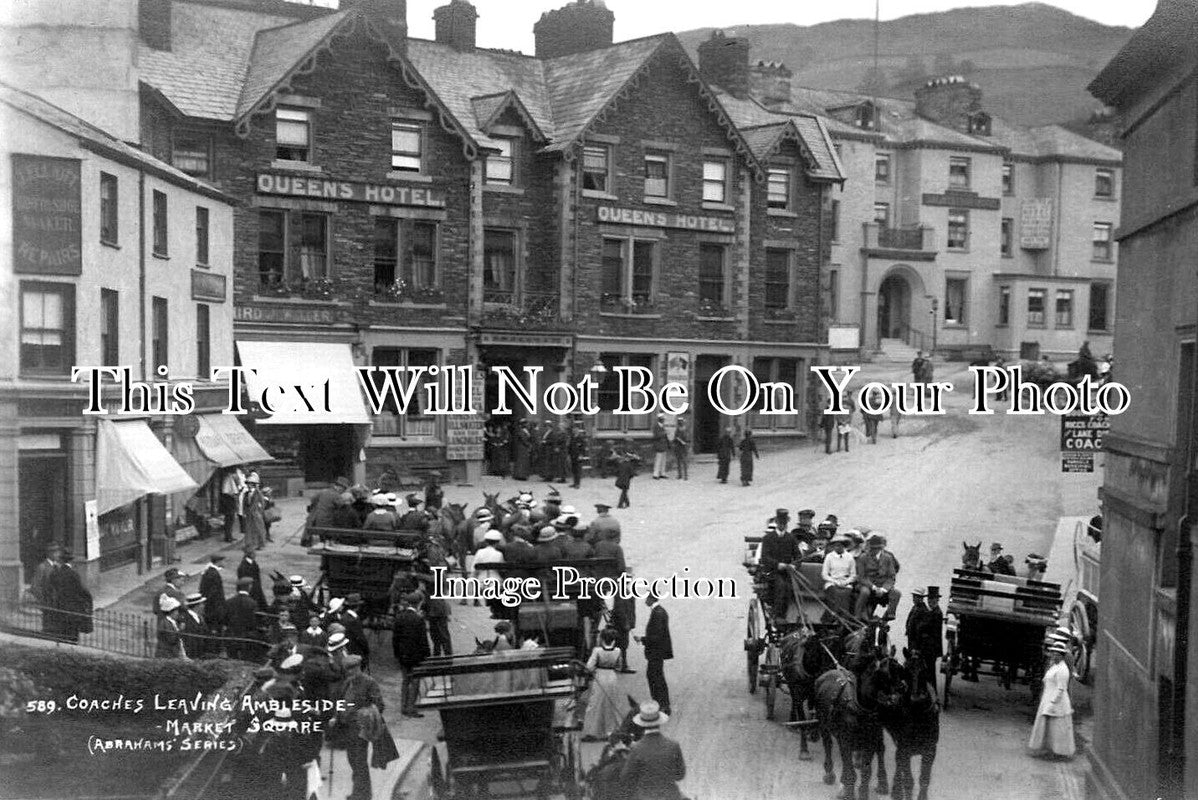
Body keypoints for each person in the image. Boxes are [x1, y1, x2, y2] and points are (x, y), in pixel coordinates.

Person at [335, 654, 385, 800]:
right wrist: (336, 716)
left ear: (359, 667)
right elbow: (340, 701)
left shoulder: (369, 683)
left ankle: (363, 795)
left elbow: (379, 705)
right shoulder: (347, 683)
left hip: (361, 729)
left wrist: (363, 714)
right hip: (347, 727)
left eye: (353, 668)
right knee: (352, 760)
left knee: (359, 761)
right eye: (348, 669)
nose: (350, 672)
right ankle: (358, 791)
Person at [619, 701, 686, 800]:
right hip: (670, 795)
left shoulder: (636, 749)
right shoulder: (673, 745)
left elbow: (626, 777)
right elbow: (680, 775)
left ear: (642, 724)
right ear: (659, 722)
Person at [1029, 643, 1076, 759]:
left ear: (1061, 656)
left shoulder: (1063, 669)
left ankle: (1058, 751)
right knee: (1048, 727)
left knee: (1057, 728)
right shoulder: (1054, 666)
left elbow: (1061, 689)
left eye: (1057, 655)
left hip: (1057, 701)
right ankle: (1048, 749)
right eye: (1053, 654)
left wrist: (1052, 703)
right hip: (1048, 697)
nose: (1054, 656)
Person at [582, 629, 625, 742]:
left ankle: (592, 732)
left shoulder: (597, 651)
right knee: (612, 703)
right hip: (612, 677)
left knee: (595, 704)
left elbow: (589, 666)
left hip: (600, 677)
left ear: (601, 639)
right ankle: (611, 730)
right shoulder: (618, 651)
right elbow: (619, 667)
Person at [391, 593, 430, 717]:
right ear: (418, 604)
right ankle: (411, 708)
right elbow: (423, 640)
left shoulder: (399, 617)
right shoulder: (419, 620)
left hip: (403, 655)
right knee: (415, 681)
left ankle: (403, 706)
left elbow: (395, 639)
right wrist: (427, 656)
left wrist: (397, 654)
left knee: (405, 681)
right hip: (416, 656)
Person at [637, 592, 672, 715]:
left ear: (652, 599)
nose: (645, 600)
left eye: (647, 598)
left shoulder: (657, 613)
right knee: (656, 677)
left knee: (655, 678)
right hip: (657, 652)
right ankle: (661, 704)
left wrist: (642, 639)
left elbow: (656, 636)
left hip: (656, 652)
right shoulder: (659, 611)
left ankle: (661, 704)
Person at [855, 533, 901, 620]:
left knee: (896, 593)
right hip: (867, 585)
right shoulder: (863, 557)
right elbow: (862, 577)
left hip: (882, 586)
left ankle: (889, 615)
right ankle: (858, 613)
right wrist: (874, 587)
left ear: (881, 548)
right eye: (872, 548)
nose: (874, 550)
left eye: (877, 548)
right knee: (865, 592)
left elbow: (891, 577)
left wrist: (884, 589)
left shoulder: (888, 558)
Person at [50, 551, 93, 643]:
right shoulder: (74, 574)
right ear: (71, 562)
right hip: (73, 610)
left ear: (61, 561)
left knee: (62, 635)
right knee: (72, 635)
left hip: (60, 608)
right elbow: (82, 591)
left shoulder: (55, 574)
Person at [226, 577, 262, 662]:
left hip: (232, 636)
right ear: (249, 587)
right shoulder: (252, 603)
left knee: (232, 660)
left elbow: (225, 618)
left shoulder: (229, 601)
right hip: (246, 637)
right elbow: (254, 621)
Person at [821, 533, 857, 618]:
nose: (838, 547)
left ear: (844, 546)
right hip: (832, 581)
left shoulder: (850, 557)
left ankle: (844, 616)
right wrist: (835, 581)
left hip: (845, 582)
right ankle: (832, 616)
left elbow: (853, 575)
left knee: (846, 593)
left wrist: (846, 582)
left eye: (840, 545)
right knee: (834, 592)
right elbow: (824, 574)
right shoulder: (829, 557)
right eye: (836, 545)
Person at [611, 569, 637, 673]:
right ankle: (622, 665)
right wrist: (626, 623)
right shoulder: (622, 591)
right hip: (622, 624)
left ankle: (620, 664)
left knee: (621, 644)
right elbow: (620, 609)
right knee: (622, 645)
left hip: (623, 623)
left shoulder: (622, 589)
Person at [198, 554, 227, 635]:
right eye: (223, 561)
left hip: (211, 607)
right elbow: (214, 594)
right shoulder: (214, 574)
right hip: (214, 609)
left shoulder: (209, 571)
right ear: (218, 562)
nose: (225, 563)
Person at [241, 472, 268, 551]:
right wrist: (244, 512)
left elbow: (262, 503)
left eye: (250, 484)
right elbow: (244, 504)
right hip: (249, 514)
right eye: (248, 484)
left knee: (258, 528)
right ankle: (249, 544)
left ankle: (260, 544)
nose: (249, 485)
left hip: (256, 513)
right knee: (249, 529)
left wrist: (259, 511)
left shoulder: (258, 493)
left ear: (254, 484)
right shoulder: (246, 493)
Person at [220, 466, 246, 542]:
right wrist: (236, 493)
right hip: (228, 499)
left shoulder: (230, 477)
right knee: (229, 518)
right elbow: (228, 491)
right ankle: (228, 536)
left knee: (231, 518)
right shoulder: (229, 478)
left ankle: (229, 535)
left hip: (230, 498)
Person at [425, 591, 453, 657]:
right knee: (440, 635)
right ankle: (444, 654)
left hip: (436, 609)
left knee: (440, 635)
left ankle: (444, 655)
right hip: (437, 609)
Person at [615, 442, 640, 509]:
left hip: (620, 479)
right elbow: (632, 473)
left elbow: (617, 472)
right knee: (624, 492)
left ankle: (627, 503)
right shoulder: (629, 465)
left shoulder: (621, 464)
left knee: (624, 492)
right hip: (626, 480)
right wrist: (630, 476)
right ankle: (620, 504)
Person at [651, 414, 669, 479]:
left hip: (664, 445)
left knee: (663, 460)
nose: (663, 420)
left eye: (663, 419)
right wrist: (664, 433)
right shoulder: (656, 426)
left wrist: (668, 444)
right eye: (662, 419)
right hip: (658, 445)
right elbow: (656, 436)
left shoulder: (663, 426)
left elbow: (666, 437)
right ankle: (655, 474)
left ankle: (662, 473)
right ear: (659, 419)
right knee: (658, 460)